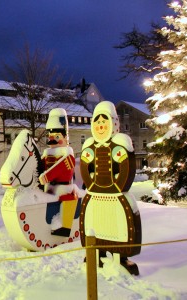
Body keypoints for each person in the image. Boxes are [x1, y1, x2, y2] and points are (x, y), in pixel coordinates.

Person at [79, 101, 142, 275]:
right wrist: (91, 183)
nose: (100, 126)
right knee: (95, 223)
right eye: (97, 123)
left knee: (118, 225)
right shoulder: (90, 147)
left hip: (115, 195)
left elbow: (125, 169)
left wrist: (117, 185)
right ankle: (97, 252)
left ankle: (119, 256)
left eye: (104, 122)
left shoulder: (119, 144)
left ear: (113, 123)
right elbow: (85, 168)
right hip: (95, 196)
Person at [38, 108, 78, 237]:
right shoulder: (47, 153)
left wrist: (47, 176)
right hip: (49, 187)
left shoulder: (67, 153)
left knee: (68, 198)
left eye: (56, 137)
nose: (52, 139)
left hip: (64, 187)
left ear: (65, 137)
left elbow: (61, 168)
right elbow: (39, 166)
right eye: (50, 136)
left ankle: (65, 226)